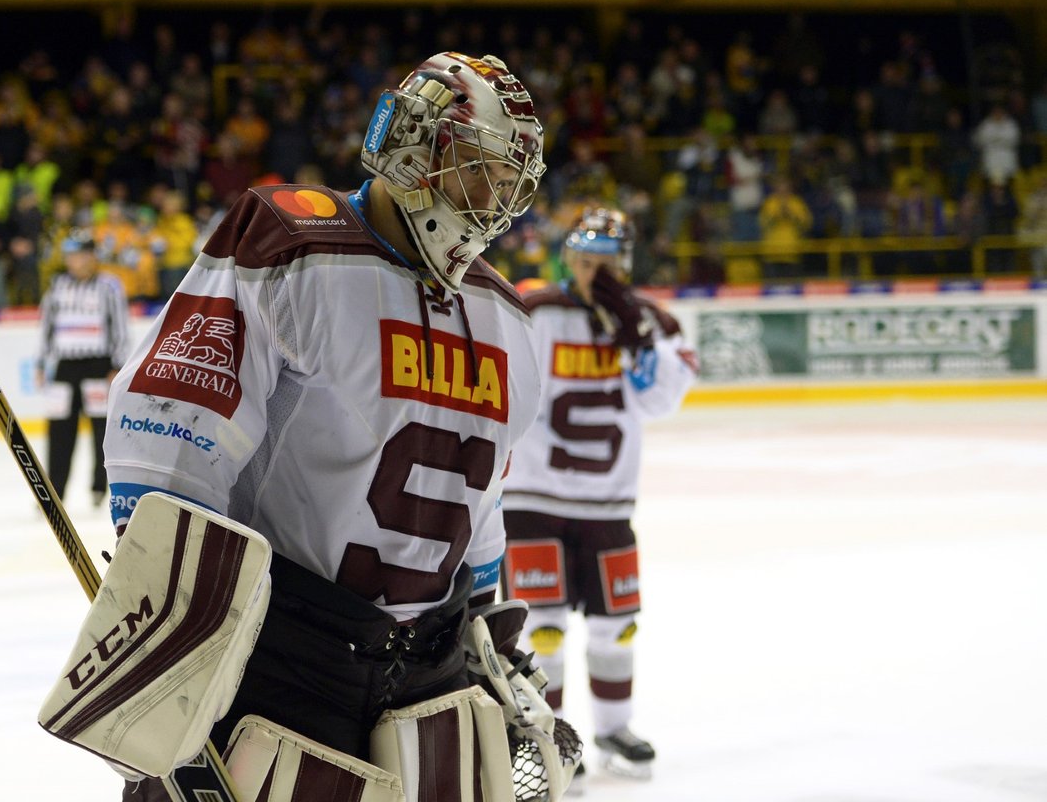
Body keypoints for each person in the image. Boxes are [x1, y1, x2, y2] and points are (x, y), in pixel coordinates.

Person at [102, 52, 567, 801]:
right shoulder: (294, 244)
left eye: (509, 185)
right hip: (277, 660)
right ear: (414, 149)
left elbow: (482, 497)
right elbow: (170, 433)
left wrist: (492, 638)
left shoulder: (505, 315)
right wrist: (170, 644)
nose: (496, 203)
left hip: (426, 677)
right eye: (479, 171)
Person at [500, 208, 698, 789]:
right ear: (569, 261)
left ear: (625, 265)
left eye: (606, 264)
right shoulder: (535, 311)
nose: (594, 274)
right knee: (544, 627)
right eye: (585, 263)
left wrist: (636, 340)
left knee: (619, 624)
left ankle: (614, 726)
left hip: (609, 503)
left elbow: (661, 402)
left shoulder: (654, 324)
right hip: (534, 498)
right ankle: (551, 735)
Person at [36, 229, 130, 505]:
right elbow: (46, 328)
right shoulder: (57, 286)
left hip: (98, 365)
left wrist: (117, 365)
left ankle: (99, 487)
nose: (73, 260)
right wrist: (42, 362)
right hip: (64, 366)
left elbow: (120, 329)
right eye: (70, 255)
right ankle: (55, 491)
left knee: (101, 429)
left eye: (79, 254)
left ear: (91, 256)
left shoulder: (109, 286)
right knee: (59, 429)